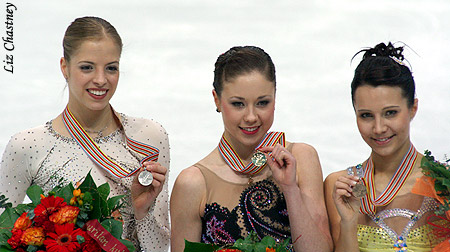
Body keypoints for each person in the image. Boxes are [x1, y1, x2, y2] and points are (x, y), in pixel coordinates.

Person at [0, 16, 170, 251]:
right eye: (87, 67)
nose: (101, 80)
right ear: (64, 67)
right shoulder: (27, 145)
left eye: (111, 68)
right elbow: (3, 237)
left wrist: (142, 211)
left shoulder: (148, 138)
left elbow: (159, 248)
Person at [170, 46, 332, 252]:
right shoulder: (193, 183)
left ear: (275, 97)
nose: (251, 117)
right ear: (217, 99)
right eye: (238, 104)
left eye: (263, 102)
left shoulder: (301, 158)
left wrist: (291, 189)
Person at [324, 42, 444, 251]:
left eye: (390, 113)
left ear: (413, 108)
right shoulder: (342, 187)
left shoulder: (442, 183)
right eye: (366, 115)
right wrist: (349, 222)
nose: (379, 128)